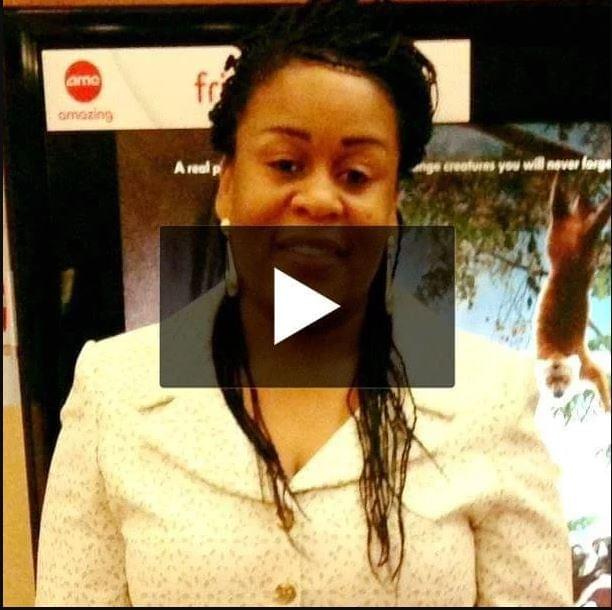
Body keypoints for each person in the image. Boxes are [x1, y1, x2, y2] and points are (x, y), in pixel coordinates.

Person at [35, 0, 573, 605]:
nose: (319, 199)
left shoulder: (488, 395)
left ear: (392, 206)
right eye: (286, 164)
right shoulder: (114, 391)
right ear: (227, 184)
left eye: (357, 175)